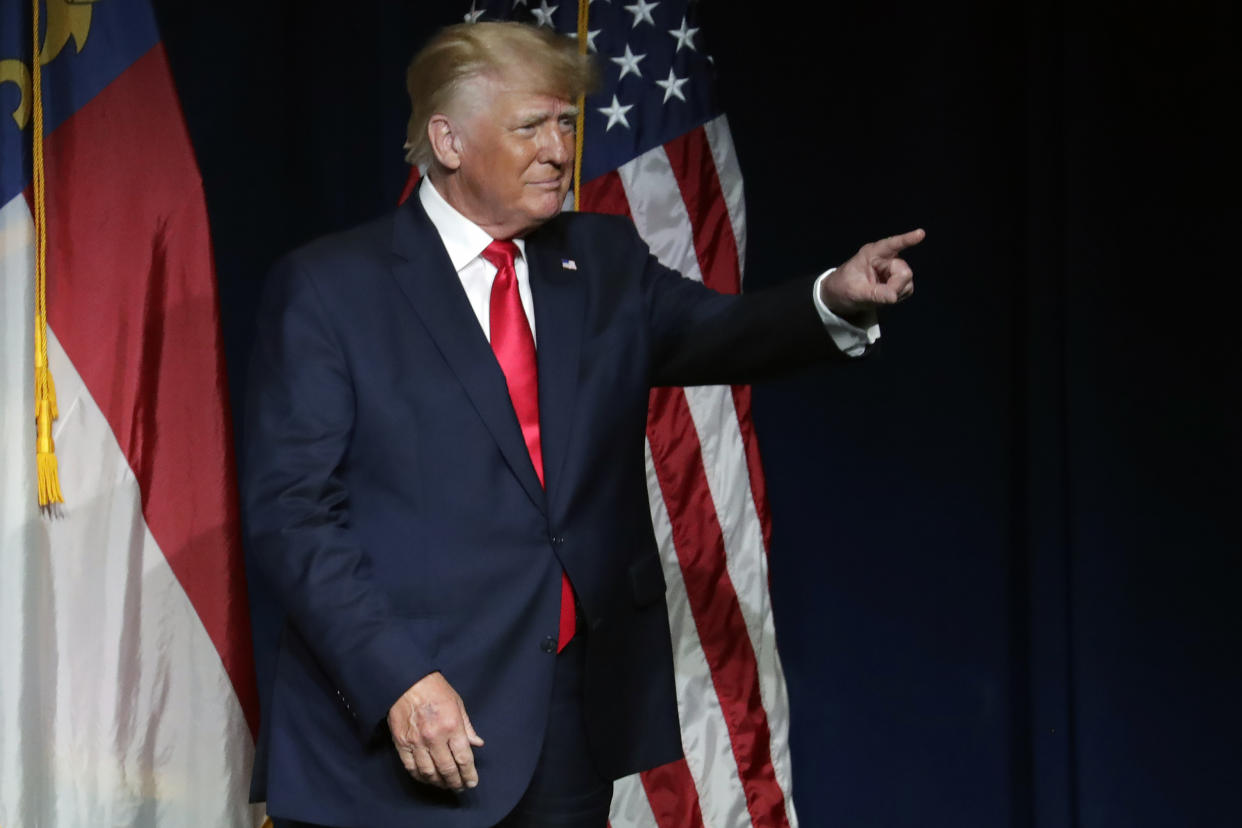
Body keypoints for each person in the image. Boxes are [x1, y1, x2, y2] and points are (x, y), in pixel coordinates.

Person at [242, 21, 922, 828]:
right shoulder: (331, 289)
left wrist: (832, 299)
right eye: (531, 125)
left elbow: (724, 333)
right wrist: (396, 681)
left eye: (567, 123)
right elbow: (293, 515)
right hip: (405, 721)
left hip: (565, 725)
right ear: (448, 140)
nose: (559, 150)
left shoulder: (600, 260)